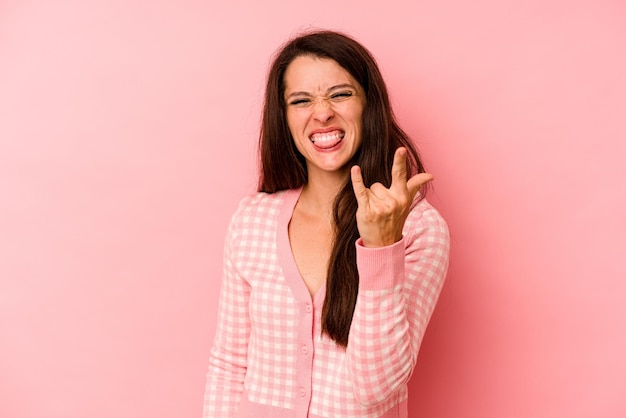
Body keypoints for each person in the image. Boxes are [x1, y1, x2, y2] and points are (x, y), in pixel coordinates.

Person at [203, 30, 450, 418]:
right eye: (301, 100)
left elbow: (377, 388)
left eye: (340, 94)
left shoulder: (419, 229)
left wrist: (382, 247)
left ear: (370, 105)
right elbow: (229, 363)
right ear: (283, 118)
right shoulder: (252, 220)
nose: (321, 113)